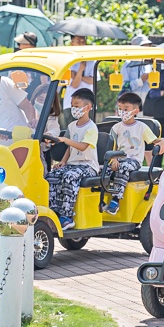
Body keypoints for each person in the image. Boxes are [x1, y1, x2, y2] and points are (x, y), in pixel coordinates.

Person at [45, 89, 99, 230]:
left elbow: (82, 146)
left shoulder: (91, 128)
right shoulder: (71, 126)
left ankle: (67, 216)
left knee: (69, 177)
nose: (73, 109)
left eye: (77, 105)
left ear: (87, 107)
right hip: (73, 164)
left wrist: (65, 139)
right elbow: (70, 148)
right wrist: (63, 161)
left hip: (88, 167)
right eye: (72, 105)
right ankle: (54, 211)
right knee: (52, 175)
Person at [106, 92, 164, 214]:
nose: (122, 111)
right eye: (120, 109)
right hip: (118, 158)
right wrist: (114, 159)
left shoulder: (141, 127)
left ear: (135, 111)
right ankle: (102, 198)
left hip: (133, 160)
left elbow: (154, 140)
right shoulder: (116, 128)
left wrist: (163, 143)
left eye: (126, 109)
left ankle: (115, 200)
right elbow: (113, 146)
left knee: (123, 168)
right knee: (103, 170)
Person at [64, 34, 96, 110]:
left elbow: (93, 81)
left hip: (88, 103)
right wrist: (81, 70)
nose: (81, 44)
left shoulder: (92, 60)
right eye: (78, 41)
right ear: (72, 43)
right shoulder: (67, 60)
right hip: (70, 104)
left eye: (83, 41)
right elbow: (74, 84)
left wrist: (77, 75)